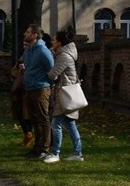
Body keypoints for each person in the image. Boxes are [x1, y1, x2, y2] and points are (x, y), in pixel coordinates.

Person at [43, 30, 84, 164]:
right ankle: (78, 153)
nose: (52, 42)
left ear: (60, 43)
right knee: (70, 124)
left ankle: (55, 153)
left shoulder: (64, 56)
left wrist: (45, 73)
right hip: (65, 93)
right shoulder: (63, 54)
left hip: (65, 93)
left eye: (54, 40)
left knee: (56, 123)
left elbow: (53, 74)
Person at [22, 24, 54, 159]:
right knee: (34, 119)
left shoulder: (42, 50)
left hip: (41, 88)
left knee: (43, 118)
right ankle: (37, 146)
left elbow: (51, 68)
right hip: (30, 88)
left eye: (28, 32)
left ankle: (45, 148)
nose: (25, 33)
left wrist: (47, 84)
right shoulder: (29, 50)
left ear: (35, 35)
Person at [11, 41, 35, 148]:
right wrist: (19, 71)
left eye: (27, 45)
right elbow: (13, 71)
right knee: (21, 114)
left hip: (28, 89)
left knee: (28, 114)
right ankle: (28, 134)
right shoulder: (22, 58)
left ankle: (30, 134)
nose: (25, 47)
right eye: (24, 45)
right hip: (19, 91)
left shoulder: (34, 57)